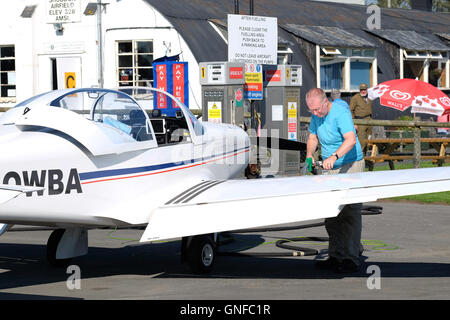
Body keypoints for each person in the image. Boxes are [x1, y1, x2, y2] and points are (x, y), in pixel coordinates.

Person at [305, 88, 365, 273]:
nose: (315, 114)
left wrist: (334, 156)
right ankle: (336, 255)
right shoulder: (316, 116)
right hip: (330, 168)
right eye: (311, 111)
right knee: (332, 214)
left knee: (350, 213)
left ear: (325, 102)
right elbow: (313, 137)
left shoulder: (340, 113)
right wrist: (309, 155)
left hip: (350, 164)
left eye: (317, 110)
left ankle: (351, 258)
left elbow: (350, 140)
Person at [349, 83, 373, 152]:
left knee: (369, 139)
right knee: (361, 140)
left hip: (369, 120)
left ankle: (366, 157)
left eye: (364, 89)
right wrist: (354, 122)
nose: (363, 91)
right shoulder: (355, 98)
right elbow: (351, 110)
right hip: (360, 121)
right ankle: (360, 157)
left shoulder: (369, 98)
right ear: (359, 90)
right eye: (362, 90)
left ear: (367, 90)